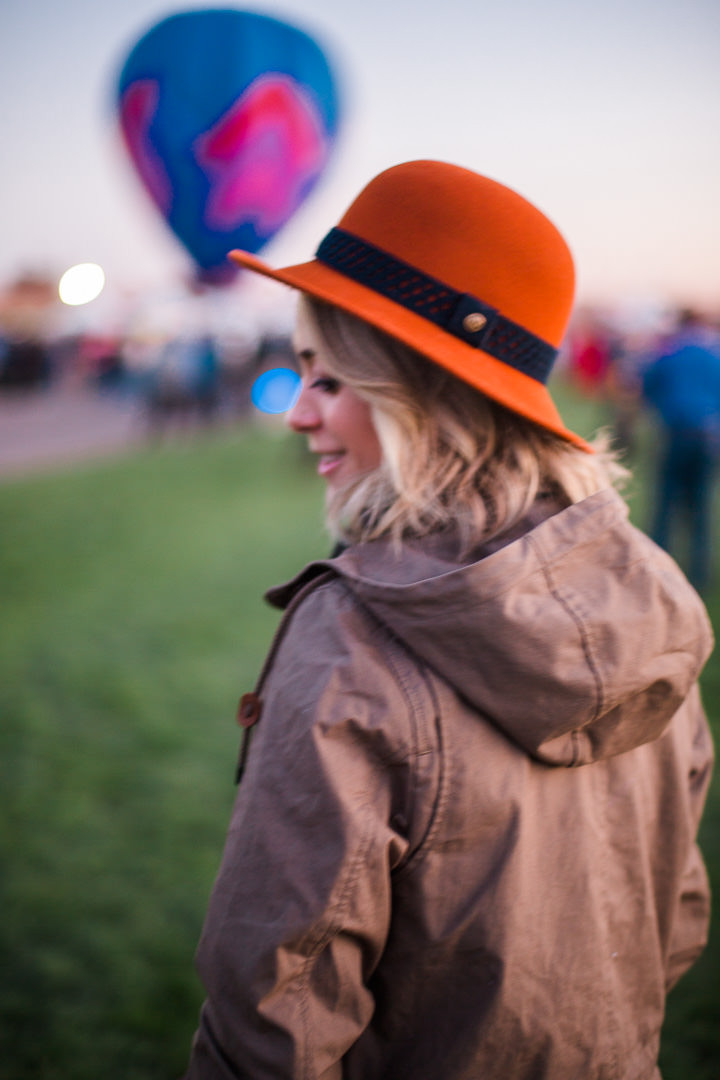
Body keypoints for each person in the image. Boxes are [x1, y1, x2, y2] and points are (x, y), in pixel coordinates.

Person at [183, 161, 713, 1079]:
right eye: (300, 373)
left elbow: (279, 996)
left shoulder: (354, 632)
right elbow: (676, 909)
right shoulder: (651, 593)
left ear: (423, 400)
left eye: (333, 382)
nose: (299, 415)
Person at [642, 308, 720, 592]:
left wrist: (662, 410)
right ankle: (700, 573)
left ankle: (656, 567)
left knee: (665, 504)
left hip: (675, 434)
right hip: (708, 436)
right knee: (700, 508)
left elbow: (647, 385)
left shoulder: (671, 353)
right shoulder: (715, 355)